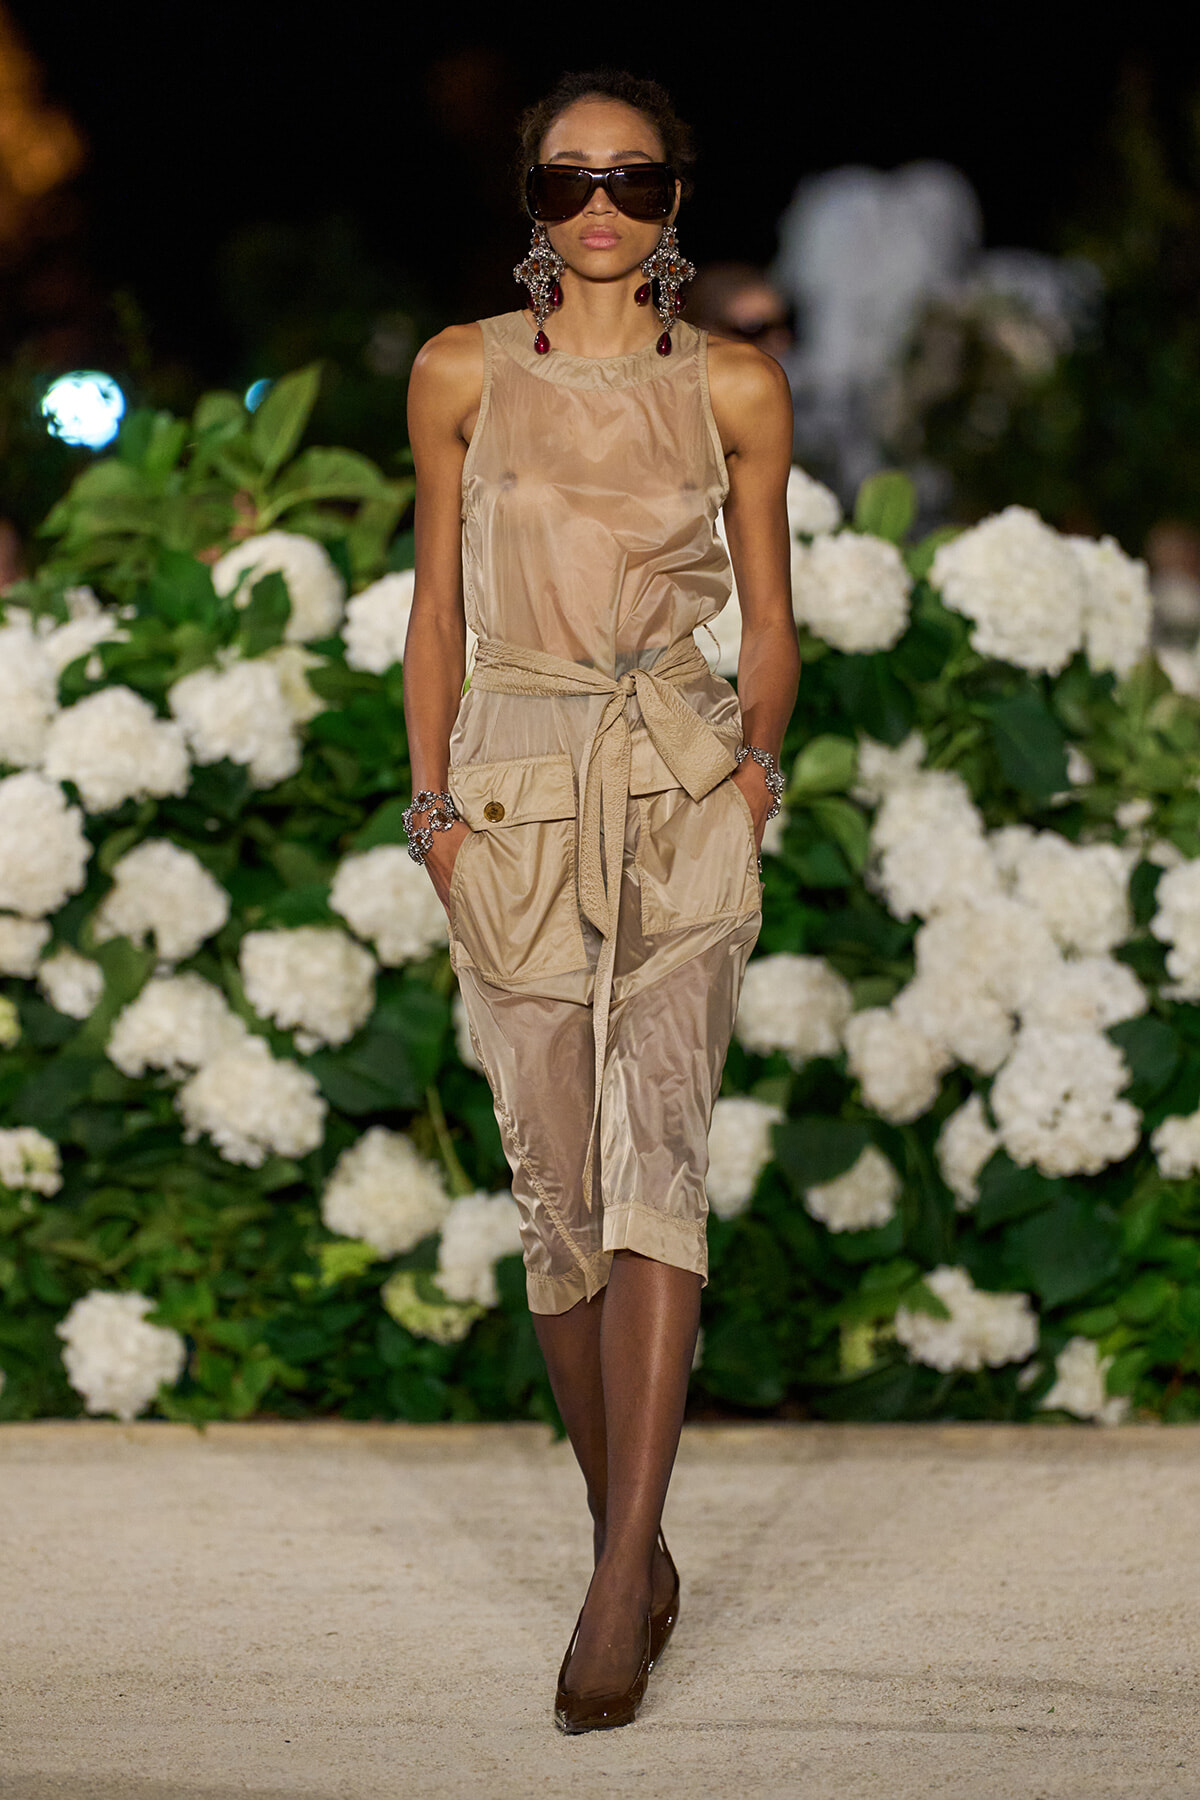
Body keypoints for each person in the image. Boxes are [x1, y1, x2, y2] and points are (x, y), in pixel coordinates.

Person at [403, 67, 799, 1733]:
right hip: (514, 786)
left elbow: (771, 615)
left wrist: (752, 764)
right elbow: (433, 605)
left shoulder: (734, 385)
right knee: (556, 1189)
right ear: (529, 202)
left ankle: (615, 1586)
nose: (599, 214)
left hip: (677, 786)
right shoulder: (458, 373)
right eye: (569, 184)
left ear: (675, 200)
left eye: (631, 184)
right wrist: (432, 809)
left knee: (662, 1152)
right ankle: (623, 1543)